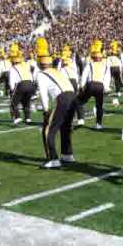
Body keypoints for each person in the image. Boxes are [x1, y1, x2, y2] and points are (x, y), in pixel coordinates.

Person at [35, 38, 78, 168]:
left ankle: (53, 159)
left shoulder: (41, 74)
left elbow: (43, 93)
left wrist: (46, 110)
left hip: (63, 98)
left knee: (49, 130)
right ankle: (67, 154)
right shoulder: (57, 71)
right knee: (65, 127)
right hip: (72, 96)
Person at [78, 39, 111, 129]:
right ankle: (98, 124)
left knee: (79, 101)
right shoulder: (105, 65)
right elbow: (107, 78)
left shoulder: (90, 64)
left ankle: (81, 119)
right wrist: (106, 88)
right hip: (100, 86)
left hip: (91, 85)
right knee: (99, 106)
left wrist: (81, 86)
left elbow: (84, 75)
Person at [8, 44, 35, 124]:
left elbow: (11, 81)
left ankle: (17, 117)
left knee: (13, 103)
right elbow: (31, 75)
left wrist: (12, 90)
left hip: (21, 85)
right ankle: (28, 118)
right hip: (30, 84)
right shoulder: (26, 65)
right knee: (26, 102)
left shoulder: (13, 68)